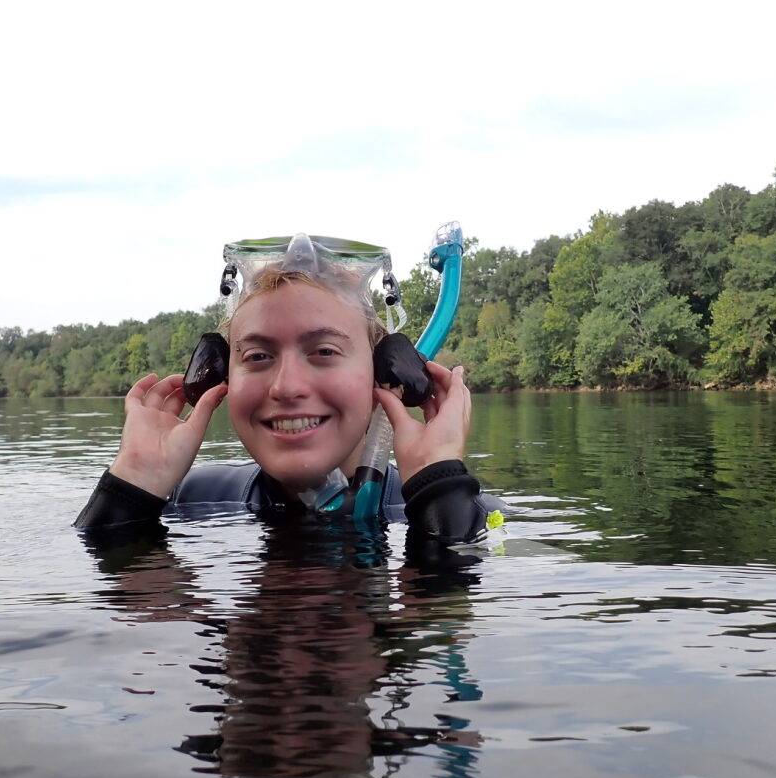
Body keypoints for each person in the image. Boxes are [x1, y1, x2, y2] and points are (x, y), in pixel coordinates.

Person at [74, 233, 500, 553]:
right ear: (221, 376)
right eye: (258, 356)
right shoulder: (188, 499)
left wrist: (439, 490)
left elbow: (450, 623)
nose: (287, 386)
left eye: (325, 351)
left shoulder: (467, 510)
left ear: (383, 372)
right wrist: (133, 483)